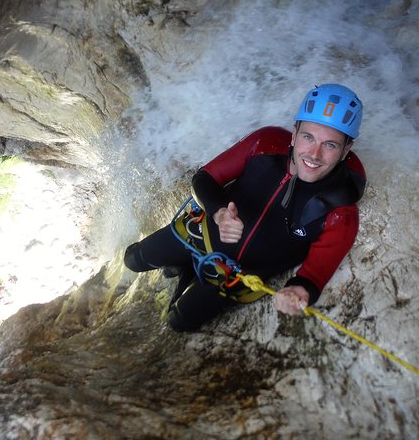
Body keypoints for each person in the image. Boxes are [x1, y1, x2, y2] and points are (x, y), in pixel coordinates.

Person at [124, 83, 366, 331]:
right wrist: (218, 212)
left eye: (330, 145)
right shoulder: (265, 143)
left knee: (178, 322)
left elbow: (313, 277)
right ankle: (183, 264)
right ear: (294, 134)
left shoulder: (340, 212)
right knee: (132, 259)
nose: (314, 154)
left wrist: (296, 291)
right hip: (201, 234)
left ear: (346, 150)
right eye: (308, 137)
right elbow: (205, 177)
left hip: (235, 277)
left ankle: (184, 269)